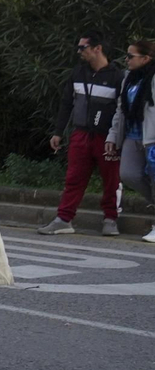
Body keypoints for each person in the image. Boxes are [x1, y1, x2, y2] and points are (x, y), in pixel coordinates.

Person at [40, 31, 123, 236]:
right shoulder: (77, 72)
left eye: (82, 47)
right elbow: (67, 103)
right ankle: (64, 218)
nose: (79, 51)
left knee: (111, 179)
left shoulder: (117, 76)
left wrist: (117, 136)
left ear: (98, 48)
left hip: (106, 137)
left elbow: (122, 110)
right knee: (74, 178)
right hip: (81, 133)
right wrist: (58, 131)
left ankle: (110, 218)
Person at [107, 40, 155, 243]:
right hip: (132, 135)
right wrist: (112, 135)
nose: (126, 59)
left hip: (151, 136)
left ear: (145, 59)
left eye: (130, 56)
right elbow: (120, 109)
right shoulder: (129, 78)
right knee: (128, 174)